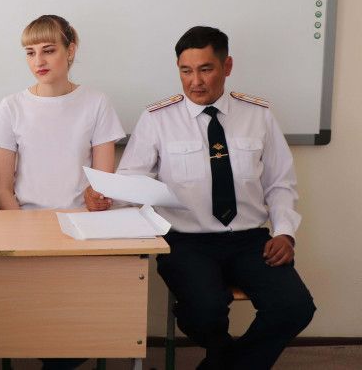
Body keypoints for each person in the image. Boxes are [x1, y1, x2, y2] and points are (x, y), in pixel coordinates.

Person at [116, 26, 315, 370]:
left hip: (249, 239)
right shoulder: (157, 119)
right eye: (186, 71)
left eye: (206, 69)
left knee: (295, 306)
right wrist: (108, 197)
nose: (195, 81)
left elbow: (280, 183)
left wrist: (285, 232)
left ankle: (221, 363)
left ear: (227, 66)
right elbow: (131, 181)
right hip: (185, 242)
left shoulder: (258, 115)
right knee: (204, 312)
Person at [0, 15, 125, 370]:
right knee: (37, 315)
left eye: (48, 50)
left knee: (76, 318)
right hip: (28, 228)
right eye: (30, 53)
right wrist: (25, 235)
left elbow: (102, 185)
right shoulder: (12, 106)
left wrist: (93, 206)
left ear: (70, 50)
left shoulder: (96, 102)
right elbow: (2, 189)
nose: (39, 61)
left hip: (82, 230)